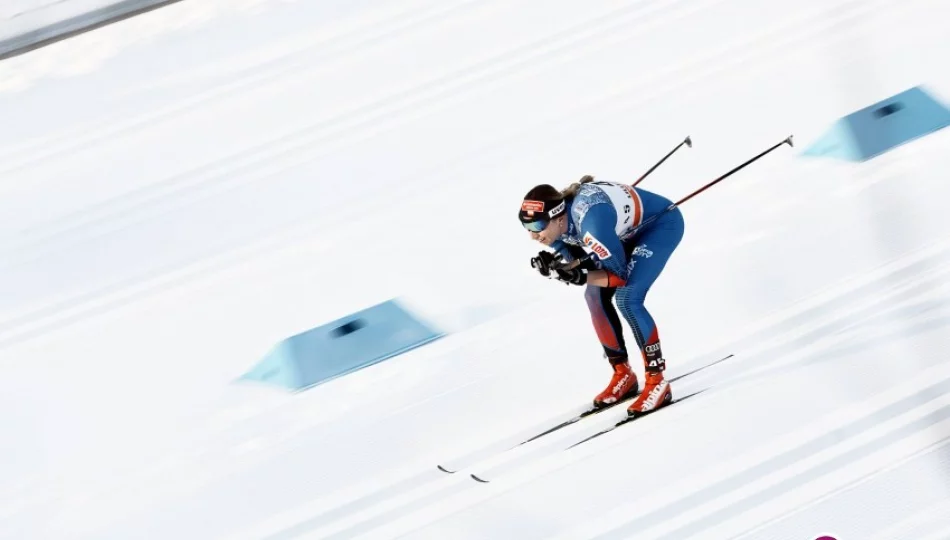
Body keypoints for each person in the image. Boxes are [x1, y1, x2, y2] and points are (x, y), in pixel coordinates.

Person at [518, 175, 685, 417]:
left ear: (558, 217)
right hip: (620, 235)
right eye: (527, 228)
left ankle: (657, 382)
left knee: (628, 299)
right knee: (594, 297)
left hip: (660, 226)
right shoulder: (558, 226)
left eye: (536, 228)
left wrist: (579, 276)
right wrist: (559, 269)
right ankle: (623, 374)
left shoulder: (591, 226)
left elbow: (618, 276)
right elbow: (574, 258)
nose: (533, 236)